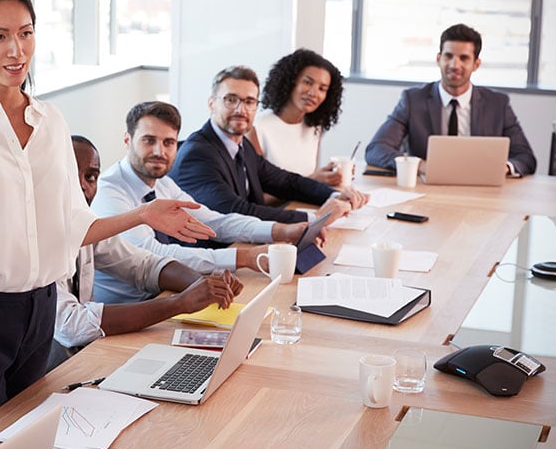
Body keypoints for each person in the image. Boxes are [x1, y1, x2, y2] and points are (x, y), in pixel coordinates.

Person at [0, 0, 214, 429]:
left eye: (25, 33)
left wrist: (143, 214)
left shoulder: (50, 122)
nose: (16, 50)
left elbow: (73, 227)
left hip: (40, 311)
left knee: (28, 443)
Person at [91, 101, 335, 305]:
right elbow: (154, 255)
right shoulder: (109, 192)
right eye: (148, 141)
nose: (159, 151)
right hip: (129, 311)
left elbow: (213, 220)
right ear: (127, 140)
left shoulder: (162, 183)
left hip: (167, 297)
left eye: (168, 142)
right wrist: (243, 257)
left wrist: (279, 230)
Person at [49, 135, 243, 369]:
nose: (82, 185)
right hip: (52, 368)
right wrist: (178, 303)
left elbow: (144, 265)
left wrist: (204, 285)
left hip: (91, 354)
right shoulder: (38, 240)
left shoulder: (87, 226)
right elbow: (72, 326)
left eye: (90, 177)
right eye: (71, 176)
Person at [169, 65, 369, 225]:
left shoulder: (240, 145)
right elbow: (237, 211)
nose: (241, 109)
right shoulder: (198, 155)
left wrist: (335, 195)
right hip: (212, 258)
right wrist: (314, 219)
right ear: (212, 104)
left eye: (249, 102)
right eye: (231, 100)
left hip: (244, 244)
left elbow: (287, 182)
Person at [365, 23, 537, 176]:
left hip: (482, 192)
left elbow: (525, 157)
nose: (455, 65)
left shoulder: (497, 104)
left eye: (464, 58)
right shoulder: (413, 100)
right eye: (448, 56)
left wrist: (504, 168)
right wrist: (420, 165)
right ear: (439, 59)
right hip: (429, 191)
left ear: (476, 64)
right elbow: (376, 149)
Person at [246, 48, 345, 185]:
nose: (313, 93)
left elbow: (307, 177)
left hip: (304, 204)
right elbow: (257, 195)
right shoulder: (257, 128)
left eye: (322, 89)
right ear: (290, 81)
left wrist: (328, 176)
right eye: (308, 82)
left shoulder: (314, 127)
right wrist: (311, 182)